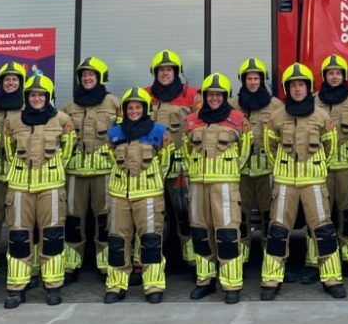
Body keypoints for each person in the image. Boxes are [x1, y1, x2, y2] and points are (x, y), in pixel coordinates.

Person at [259, 63, 347, 300]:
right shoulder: (276, 117)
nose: (298, 89)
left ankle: (332, 279)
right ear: (287, 89)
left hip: (314, 183)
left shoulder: (322, 116)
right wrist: (284, 168)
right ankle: (271, 279)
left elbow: (330, 146)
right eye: (293, 85)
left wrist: (315, 167)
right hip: (285, 182)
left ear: (309, 88)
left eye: (302, 85)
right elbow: (270, 148)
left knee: (324, 231)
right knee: (278, 231)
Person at [0, 75, 76, 308]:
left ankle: (52, 286)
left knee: (52, 237)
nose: (36, 99)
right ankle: (17, 288)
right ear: (27, 97)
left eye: (41, 95)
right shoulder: (13, 122)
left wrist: (52, 172)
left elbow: (67, 150)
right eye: (32, 95)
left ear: (48, 97)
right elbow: (9, 151)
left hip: (51, 187)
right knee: (19, 238)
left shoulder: (62, 120)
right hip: (20, 187)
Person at [181, 73, 252, 304]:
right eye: (210, 94)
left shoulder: (238, 120)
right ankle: (205, 280)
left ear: (225, 96)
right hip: (198, 187)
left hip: (225, 186)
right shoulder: (192, 120)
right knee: (200, 234)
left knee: (227, 235)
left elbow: (245, 150)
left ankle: (231, 284)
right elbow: (185, 150)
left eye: (218, 94)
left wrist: (228, 172)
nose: (213, 98)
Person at [103, 88, 172, 304]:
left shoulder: (159, 132)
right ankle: (116, 284)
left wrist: (153, 181)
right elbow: (109, 160)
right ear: (124, 110)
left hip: (149, 195)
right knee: (117, 241)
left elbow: (166, 161)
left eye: (138, 107)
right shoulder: (114, 133)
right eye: (130, 107)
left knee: (151, 241)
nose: (134, 111)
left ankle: (153, 285)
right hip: (119, 195)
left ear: (145, 109)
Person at [60, 57, 121, 283]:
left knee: (106, 220)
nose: (87, 78)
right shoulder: (69, 107)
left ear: (100, 77)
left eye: (91, 75)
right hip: (75, 172)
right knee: (73, 220)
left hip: (105, 171)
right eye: (84, 75)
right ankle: (71, 265)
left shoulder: (114, 104)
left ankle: (106, 265)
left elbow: (124, 135)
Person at [145, 49, 201, 272]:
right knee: (152, 217)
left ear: (177, 72)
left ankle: (192, 262)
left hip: (180, 169)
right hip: (152, 167)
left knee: (186, 215)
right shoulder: (144, 94)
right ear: (155, 73)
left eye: (169, 70)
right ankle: (153, 263)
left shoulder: (193, 95)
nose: (165, 73)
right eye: (161, 70)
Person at [314, 55, 348, 278]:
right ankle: (318, 263)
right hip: (320, 168)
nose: (334, 76)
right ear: (324, 76)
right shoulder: (313, 101)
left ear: (344, 76)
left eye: (338, 73)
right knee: (320, 216)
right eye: (330, 73)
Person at [232, 58, 283, 264]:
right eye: (249, 78)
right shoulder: (232, 105)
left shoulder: (276, 105)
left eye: (256, 78)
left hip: (267, 170)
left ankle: (269, 258)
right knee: (241, 215)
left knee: (268, 215)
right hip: (241, 170)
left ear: (262, 80)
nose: (252, 82)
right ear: (243, 81)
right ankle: (241, 258)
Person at [0, 62, 27, 278]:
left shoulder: (28, 107)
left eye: (15, 79)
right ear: (1, 83)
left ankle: (17, 260)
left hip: (19, 174)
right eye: (7, 79)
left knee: (18, 221)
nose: (11, 83)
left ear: (21, 83)